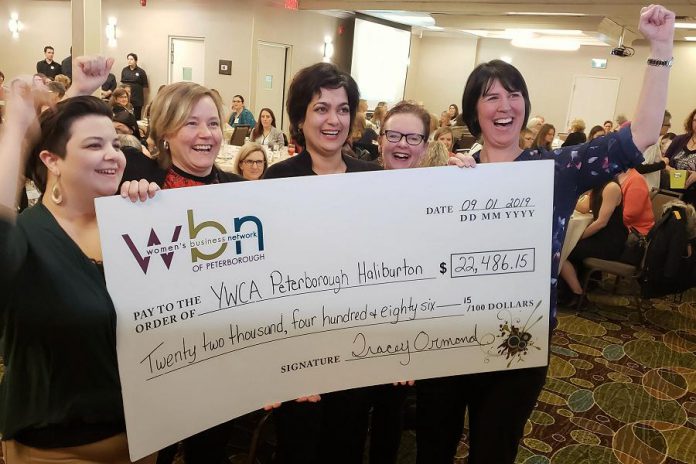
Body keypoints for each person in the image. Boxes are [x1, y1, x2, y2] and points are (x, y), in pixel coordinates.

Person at [416, 5, 674, 463]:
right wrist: (446, 189)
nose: (505, 105)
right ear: (475, 108)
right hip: (448, 335)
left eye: (514, 95)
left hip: (518, 338)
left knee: (494, 451)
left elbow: (643, 135)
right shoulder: (452, 175)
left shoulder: (557, 169)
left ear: (525, 106)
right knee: (432, 447)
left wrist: (660, 48)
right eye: (492, 97)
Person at [0, 56, 157, 463]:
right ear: (50, 160)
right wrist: (15, 131)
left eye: (115, 144)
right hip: (55, 448)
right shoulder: (26, 238)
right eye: (94, 146)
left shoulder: (134, 222)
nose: (114, 156)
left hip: (145, 438)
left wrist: (155, 215)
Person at [263, 61, 382, 464]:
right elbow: (263, 273)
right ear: (300, 118)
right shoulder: (277, 179)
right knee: (298, 447)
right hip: (298, 342)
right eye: (321, 108)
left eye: (343, 108)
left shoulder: (374, 177)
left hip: (357, 343)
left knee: (346, 446)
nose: (334, 120)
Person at [119, 81, 244, 464]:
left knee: (211, 450)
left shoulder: (241, 191)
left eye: (212, 123)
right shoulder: (140, 184)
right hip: (158, 355)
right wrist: (127, 198)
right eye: (191, 124)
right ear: (165, 133)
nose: (206, 134)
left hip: (222, 355)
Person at [561, 180, 627, 298]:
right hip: (601, 236)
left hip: (610, 241)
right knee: (565, 247)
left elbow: (601, 223)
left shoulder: (611, 187)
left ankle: (577, 293)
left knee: (562, 251)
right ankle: (579, 286)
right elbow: (584, 208)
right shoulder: (599, 185)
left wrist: (578, 238)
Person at [120, 53, 149, 120]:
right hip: (126, 97)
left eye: (131, 59)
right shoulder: (124, 70)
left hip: (137, 98)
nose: (129, 61)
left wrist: (143, 97)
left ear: (136, 61)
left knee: (136, 117)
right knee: (125, 116)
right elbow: (122, 84)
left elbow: (145, 86)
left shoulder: (141, 71)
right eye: (128, 59)